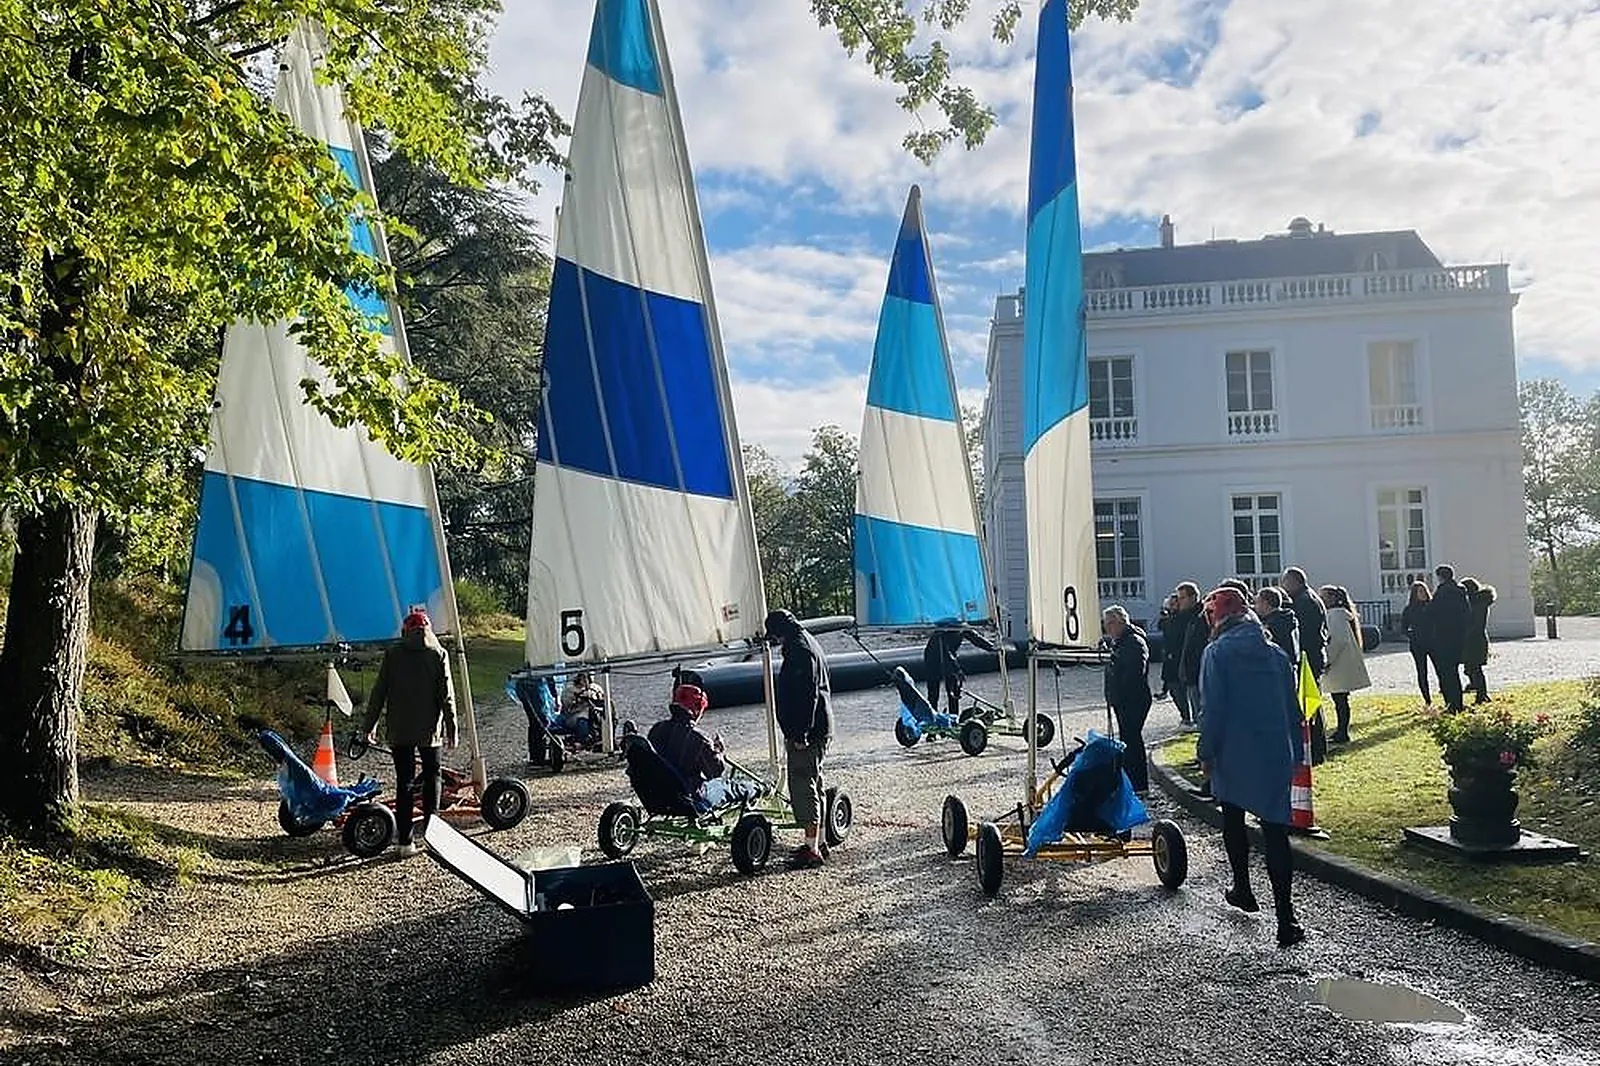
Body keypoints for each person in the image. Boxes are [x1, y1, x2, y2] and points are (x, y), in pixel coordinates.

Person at [1197, 586, 1306, 950]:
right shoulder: (1276, 655)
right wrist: (1296, 754)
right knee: (1276, 833)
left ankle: (1243, 886)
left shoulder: (1217, 653)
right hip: (1274, 750)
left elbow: (1213, 709)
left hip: (1233, 749)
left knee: (1233, 817)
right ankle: (1286, 917)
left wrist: (1205, 751)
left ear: (1218, 618)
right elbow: (1293, 709)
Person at [362, 608, 457, 858]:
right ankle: (433, 836)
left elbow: (379, 692)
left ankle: (404, 841)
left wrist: (368, 726)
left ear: (405, 631)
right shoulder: (438, 654)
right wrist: (452, 728)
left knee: (404, 781)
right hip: (429, 731)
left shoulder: (393, 654)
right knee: (432, 778)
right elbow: (446, 697)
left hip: (399, 728)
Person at [766, 609, 833, 868]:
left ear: (779, 632)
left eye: (774, 636)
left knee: (803, 784)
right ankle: (820, 842)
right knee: (815, 783)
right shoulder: (808, 640)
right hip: (821, 725)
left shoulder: (799, 650)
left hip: (809, 731)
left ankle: (812, 849)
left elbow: (807, 694)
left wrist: (800, 732)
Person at [647, 683, 761, 811]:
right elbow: (715, 772)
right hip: (692, 797)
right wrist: (718, 751)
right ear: (697, 709)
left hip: (659, 793)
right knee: (731, 786)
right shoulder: (699, 738)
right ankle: (759, 788)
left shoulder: (656, 729)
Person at [1101, 606, 1152, 794]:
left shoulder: (1133, 642)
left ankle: (1139, 784)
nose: (1107, 629)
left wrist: (1118, 691)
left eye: (1110, 624)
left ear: (1120, 622)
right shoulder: (1121, 642)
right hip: (1124, 699)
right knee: (1128, 739)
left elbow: (1133, 674)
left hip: (1133, 699)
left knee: (1132, 741)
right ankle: (1131, 781)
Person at [1281, 566, 1330, 759]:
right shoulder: (1308, 598)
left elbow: (1305, 634)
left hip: (1308, 657)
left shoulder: (1305, 602)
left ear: (1294, 582)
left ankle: (1315, 749)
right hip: (1313, 656)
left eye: (1285, 583)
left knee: (1309, 704)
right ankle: (1316, 748)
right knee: (1312, 703)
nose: (1283, 587)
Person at [1318, 585, 1371, 745]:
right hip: (1342, 664)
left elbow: (1338, 640)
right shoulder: (1339, 615)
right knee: (1340, 699)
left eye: (1324, 596)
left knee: (1340, 699)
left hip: (1338, 664)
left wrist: (1327, 660)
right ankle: (1341, 730)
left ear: (1333, 598)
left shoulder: (1335, 615)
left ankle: (1342, 731)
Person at [922, 625, 997, 718]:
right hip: (933, 659)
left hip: (949, 657)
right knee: (934, 693)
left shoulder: (962, 627)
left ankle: (954, 718)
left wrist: (991, 647)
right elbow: (946, 654)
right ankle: (931, 719)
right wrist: (957, 671)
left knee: (954, 692)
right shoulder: (943, 631)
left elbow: (975, 638)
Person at [1427, 564, 1470, 711]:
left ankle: (1451, 704)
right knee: (1454, 671)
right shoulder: (1460, 591)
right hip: (1458, 637)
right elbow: (1467, 614)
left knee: (1446, 673)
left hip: (1443, 637)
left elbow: (1431, 612)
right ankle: (1458, 703)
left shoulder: (1442, 592)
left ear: (1440, 577)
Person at [1174, 581, 1208, 730]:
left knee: (1201, 710)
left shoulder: (1201, 616)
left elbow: (1198, 645)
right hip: (1189, 668)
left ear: (1193, 597)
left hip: (1197, 668)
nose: (1179, 601)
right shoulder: (1183, 616)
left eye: (1182, 598)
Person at [1461, 578, 1498, 704]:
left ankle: (1482, 695)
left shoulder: (1477, 604)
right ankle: (1478, 689)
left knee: (1475, 668)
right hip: (1475, 639)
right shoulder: (1477, 603)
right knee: (1471, 668)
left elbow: (1475, 624)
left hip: (1475, 640)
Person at [1400, 581, 1436, 708]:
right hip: (1417, 644)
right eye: (1420, 591)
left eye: (1425, 591)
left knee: (1440, 669)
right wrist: (1412, 634)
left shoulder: (1432, 606)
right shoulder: (1409, 609)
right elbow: (1403, 628)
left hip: (1433, 642)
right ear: (1415, 594)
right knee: (1422, 672)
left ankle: (1445, 693)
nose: (1424, 594)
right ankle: (1427, 699)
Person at [559, 671, 606, 744]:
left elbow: (603, 699)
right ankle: (582, 741)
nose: (586, 680)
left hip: (595, 713)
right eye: (584, 677)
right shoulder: (569, 690)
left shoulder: (596, 688)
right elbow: (567, 706)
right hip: (575, 715)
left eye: (588, 677)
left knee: (606, 715)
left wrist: (595, 697)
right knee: (582, 721)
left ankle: (605, 737)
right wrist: (579, 698)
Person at [1256, 587, 1300, 665]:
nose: (1255, 606)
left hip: (1278, 666)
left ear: (1265, 603)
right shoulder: (1287, 618)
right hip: (1290, 666)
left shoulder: (1273, 625)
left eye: (1257, 602)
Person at [1154, 594, 1182, 702]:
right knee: (1169, 677)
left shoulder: (1180, 617)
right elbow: (1160, 625)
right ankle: (1165, 691)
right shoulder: (1169, 617)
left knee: (1175, 681)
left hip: (1177, 652)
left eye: (1173, 604)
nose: (1171, 606)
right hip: (1168, 650)